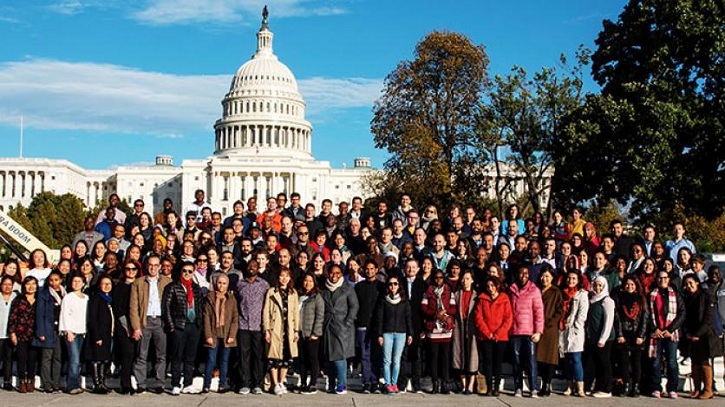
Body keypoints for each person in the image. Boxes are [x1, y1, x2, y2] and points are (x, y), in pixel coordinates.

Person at [129, 255, 171, 394]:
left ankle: (160, 383)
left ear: (160, 266)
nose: (153, 267)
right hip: (144, 321)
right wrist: (136, 327)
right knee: (142, 354)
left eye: (156, 265)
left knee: (161, 354)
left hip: (160, 321)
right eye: (151, 265)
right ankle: (141, 382)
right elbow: (133, 307)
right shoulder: (138, 283)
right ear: (147, 266)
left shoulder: (167, 282)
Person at [163, 261, 204, 395]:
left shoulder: (196, 288)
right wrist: (171, 326)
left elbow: (200, 307)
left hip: (193, 326)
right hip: (179, 326)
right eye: (184, 271)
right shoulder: (173, 287)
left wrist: (200, 325)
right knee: (177, 356)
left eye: (190, 271)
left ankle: (188, 383)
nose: (187, 274)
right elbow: (167, 307)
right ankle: (175, 383)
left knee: (190, 357)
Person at [321, 264, 359, 395]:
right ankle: (331, 384)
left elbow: (354, 306)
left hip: (342, 327)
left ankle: (342, 384)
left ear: (341, 274)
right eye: (332, 273)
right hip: (328, 327)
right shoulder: (324, 289)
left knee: (339, 357)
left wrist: (347, 322)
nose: (334, 275)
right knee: (329, 357)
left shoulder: (347, 288)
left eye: (337, 273)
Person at [648, 270, 685, 399]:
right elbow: (647, 314)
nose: (662, 280)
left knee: (671, 362)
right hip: (656, 333)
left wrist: (670, 329)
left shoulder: (675, 295)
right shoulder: (651, 295)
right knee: (655, 362)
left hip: (671, 333)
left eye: (665, 278)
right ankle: (656, 388)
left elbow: (681, 313)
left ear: (668, 279)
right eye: (659, 278)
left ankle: (672, 388)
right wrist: (655, 329)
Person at [508, 265, 544, 397]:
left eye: (526, 273)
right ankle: (518, 387)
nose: (523, 276)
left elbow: (539, 312)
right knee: (516, 361)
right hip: (515, 331)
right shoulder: (511, 290)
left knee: (531, 361)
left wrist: (538, 331)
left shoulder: (534, 290)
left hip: (530, 332)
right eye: (520, 273)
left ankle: (533, 387)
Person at [235, 259, 270, 395]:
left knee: (258, 356)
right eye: (249, 266)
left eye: (254, 266)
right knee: (244, 356)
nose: (251, 268)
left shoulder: (264, 285)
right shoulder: (240, 284)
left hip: (258, 326)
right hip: (243, 325)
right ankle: (245, 383)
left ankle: (257, 384)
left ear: (258, 268)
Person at [263, 268, 299, 395]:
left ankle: (281, 381)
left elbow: (295, 313)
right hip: (276, 328)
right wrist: (266, 329)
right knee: (273, 357)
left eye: (286, 276)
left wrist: (296, 330)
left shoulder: (293, 293)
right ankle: (274, 383)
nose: (284, 278)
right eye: (282, 276)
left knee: (286, 357)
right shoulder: (272, 292)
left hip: (288, 329)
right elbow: (266, 311)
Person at [475, 275, 513, 396]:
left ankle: (496, 387)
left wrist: (497, 334)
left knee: (498, 363)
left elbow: (508, 318)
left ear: (497, 286)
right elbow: (478, 318)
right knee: (487, 362)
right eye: (488, 286)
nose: (490, 288)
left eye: (492, 286)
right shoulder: (482, 299)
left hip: (500, 337)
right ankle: (489, 387)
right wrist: (488, 333)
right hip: (486, 336)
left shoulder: (504, 299)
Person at [375, 274, 413, 394]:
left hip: (401, 333)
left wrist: (410, 333)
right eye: (390, 284)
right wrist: (379, 334)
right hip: (387, 333)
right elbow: (379, 318)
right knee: (387, 360)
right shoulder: (383, 300)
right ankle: (387, 383)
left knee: (397, 360)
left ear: (399, 285)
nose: (393, 286)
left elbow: (408, 318)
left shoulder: (404, 301)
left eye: (395, 284)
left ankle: (394, 383)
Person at [680, 274, 716, 399]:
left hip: (705, 335)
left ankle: (708, 389)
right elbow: (684, 317)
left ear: (697, 283)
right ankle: (696, 389)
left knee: (705, 361)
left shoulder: (706, 296)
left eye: (691, 283)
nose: (689, 286)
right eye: (686, 284)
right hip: (691, 335)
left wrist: (698, 334)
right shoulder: (686, 298)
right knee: (695, 362)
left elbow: (708, 318)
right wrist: (688, 333)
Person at [202, 273, 238, 394]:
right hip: (213, 334)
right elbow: (206, 318)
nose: (221, 286)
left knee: (224, 361)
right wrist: (208, 335)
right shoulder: (210, 297)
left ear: (228, 285)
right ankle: (206, 385)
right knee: (211, 360)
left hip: (226, 334)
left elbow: (235, 318)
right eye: (219, 283)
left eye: (224, 283)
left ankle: (222, 384)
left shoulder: (231, 299)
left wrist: (232, 335)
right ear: (215, 284)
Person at [421, 269, 456, 394]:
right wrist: (435, 314)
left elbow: (453, 307)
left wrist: (444, 312)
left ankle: (445, 383)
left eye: (441, 277)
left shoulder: (448, 290)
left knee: (445, 358)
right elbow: (423, 307)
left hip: (445, 328)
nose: (438, 280)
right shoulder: (428, 290)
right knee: (433, 358)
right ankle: (435, 383)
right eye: (436, 277)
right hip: (433, 327)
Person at [613, 274, 648, 397]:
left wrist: (641, 335)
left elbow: (644, 318)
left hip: (636, 334)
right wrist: (620, 334)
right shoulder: (619, 298)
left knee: (636, 362)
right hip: (624, 333)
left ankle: (636, 386)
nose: (629, 286)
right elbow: (616, 318)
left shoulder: (641, 299)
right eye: (627, 284)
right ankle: (625, 385)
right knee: (624, 361)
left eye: (632, 284)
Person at [354, 258, 384, 393]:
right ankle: (366, 382)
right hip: (363, 325)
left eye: (372, 269)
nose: (369, 271)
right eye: (367, 269)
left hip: (378, 326)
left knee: (376, 355)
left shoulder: (382, 286)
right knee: (365, 355)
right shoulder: (359, 287)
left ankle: (375, 381)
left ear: (376, 270)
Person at [33, 270, 65, 393]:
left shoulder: (64, 292)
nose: (53, 282)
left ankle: (56, 383)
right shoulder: (44, 293)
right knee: (47, 358)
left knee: (58, 357)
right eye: (51, 280)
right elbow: (39, 314)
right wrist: (40, 332)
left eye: (56, 280)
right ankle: (47, 384)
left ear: (61, 280)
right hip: (48, 329)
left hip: (59, 330)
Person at [559, 270, 589, 397]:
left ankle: (580, 386)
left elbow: (582, 313)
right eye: (569, 278)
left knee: (576, 359)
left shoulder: (581, 295)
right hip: (563, 329)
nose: (570, 281)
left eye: (574, 279)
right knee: (567, 360)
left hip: (575, 330)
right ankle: (569, 385)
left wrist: (576, 325)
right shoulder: (562, 293)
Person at [584, 276, 615, 398]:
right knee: (596, 363)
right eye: (596, 285)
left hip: (604, 339)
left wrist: (603, 339)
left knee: (604, 363)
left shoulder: (607, 301)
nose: (597, 288)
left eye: (600, 286)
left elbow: (608, 321)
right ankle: (597, 387)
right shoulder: (592, 299)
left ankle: (606, 389)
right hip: (593, 337)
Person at [8, 276, 39, 393]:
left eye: (33, 284)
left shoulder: (39, 300)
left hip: (35, 334)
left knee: (32, 359)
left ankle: (30, 380)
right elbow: (13, 317)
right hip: (21, 334)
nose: (31, 287)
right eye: (28, 284)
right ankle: (22, 381)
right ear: (24, 286)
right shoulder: (18, 300)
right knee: (21, 358)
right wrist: (12, 333)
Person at [59, 274, 88, 395]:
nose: (76, 283)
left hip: (83, 332)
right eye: (74, 281)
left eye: (79, 281)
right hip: (72, 332)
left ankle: (76, 383)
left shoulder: (86, 298)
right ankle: (71, 385)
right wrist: (67, 331)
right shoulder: (68, 297)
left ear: (83, 283)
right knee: (74, 360)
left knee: (78, 360)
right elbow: (64, 314)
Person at [536, 265, 563, 397]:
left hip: (550, 328)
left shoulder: (556, 292)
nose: (544, 279)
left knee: (549, 358)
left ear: (552, 277)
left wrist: (551, 322)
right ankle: (542, 383)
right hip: (537, 328)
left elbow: (560, 311)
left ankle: (547, 384)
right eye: (542, 276)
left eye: (547, 276)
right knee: (539, 357)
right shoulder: (536, 290)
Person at [113, 260, 139, 395]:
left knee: (136, 355)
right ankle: (125, 384)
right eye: (128, 269)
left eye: (133, 269)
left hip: (138, 325)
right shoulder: (120, 287)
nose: (131, 271)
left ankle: (137, 382)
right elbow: (118, 309)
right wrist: (128, 327)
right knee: (127, 355)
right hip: (125, 327)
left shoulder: (139, 285)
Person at [85, 276, 114, 394]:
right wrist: (97, 336)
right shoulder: (96, 299)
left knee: (104, 359)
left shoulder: (109, 299)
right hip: (98, 334)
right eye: (104, 283)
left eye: (109, 283)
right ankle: (97, 384)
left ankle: (102, 382)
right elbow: (93, 319)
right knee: (96, 359)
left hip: (108, 334)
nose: (107, 286)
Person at [297, 273, 325, 395]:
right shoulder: (299, 296)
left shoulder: (317, 297)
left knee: (313, 359)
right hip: (300, 333)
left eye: (310, 281)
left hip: (312, 334)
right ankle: (303, 382)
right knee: (302, 360)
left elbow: (320, 316)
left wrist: (315, 333)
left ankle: (313, 383)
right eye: (306, 280)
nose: (307, 283)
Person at [451, 270, 478, 394]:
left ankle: (471, 385)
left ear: (472, 280)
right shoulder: (456, 295)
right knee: (459, 355)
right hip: (459, 328)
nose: (465, 281)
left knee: (472, 356)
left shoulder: (476, 296)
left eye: (467, 279)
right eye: (463, 279)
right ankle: (463, 384)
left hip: (472, 329)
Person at [0, 276, 17, 390]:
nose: (7, 286)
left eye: (9, 284)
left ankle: (7, 381)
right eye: (5, 284)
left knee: (8, 358)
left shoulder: (16, 297)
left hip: (10, 333)